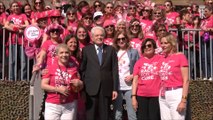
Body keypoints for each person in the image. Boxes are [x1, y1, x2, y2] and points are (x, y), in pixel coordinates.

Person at [80, 26, 118, 120]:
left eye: (101, 35)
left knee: (104, 116)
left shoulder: (111, 50)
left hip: (106, 88)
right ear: (92, 37)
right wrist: (84, 88)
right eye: (97, 35)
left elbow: (114, 70)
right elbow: (82, 69)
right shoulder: (86, 50)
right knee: (90, 116)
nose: (99, 37)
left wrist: (114, 89)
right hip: (90, 89)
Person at [41, 43, 83, 120]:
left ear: (69, 54)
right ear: (57, 55)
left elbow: (78, 86)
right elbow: (43, 85)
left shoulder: (74, 68)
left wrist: (80, 83)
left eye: (66, 52)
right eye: (61, 52)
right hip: (53, 104)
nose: (64, 55)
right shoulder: (50, 68)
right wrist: (57, 89)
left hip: (69, 105)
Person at [159, 33, 189, 120]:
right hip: (163, 94)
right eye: (161, 43)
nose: (163, 45)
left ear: (172, 43)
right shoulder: (162, 58)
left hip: (176, 93)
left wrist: (183, 100)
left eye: (166, 43)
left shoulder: (180, 57)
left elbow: (186, 80)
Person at [132, 38, 161, 120]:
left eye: (149, 45)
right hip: (141, 95)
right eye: (144, 46)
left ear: (154, 47)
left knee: (154, 117)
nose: (147, 48)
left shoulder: (160, 59)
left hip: (156, 95)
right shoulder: (139, 62)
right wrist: (133, 97)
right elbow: (135, 80)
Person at [113, 31, 139, 120]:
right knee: (117, 114)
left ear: (127, 40)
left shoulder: (133, 52)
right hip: (117, 88)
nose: (121, 41)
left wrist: (132, 75)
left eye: (123, 39)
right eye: (118, 39)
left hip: (129, 87)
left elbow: (139, 68)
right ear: (116, 41)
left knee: (132, 114)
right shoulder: (113, 52)